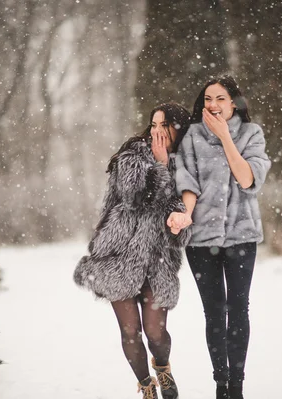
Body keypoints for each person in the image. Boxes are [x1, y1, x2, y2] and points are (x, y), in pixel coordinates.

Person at [74, 102, 192, 399]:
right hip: (118, 256)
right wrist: (160, 166)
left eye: (163, 125)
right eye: (153, 125)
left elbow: (182, 218)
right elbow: (134, 198)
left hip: (158, 259)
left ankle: (162, 367)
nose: (156, 132)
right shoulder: (131, 157)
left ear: (177, 129)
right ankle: (147, 386)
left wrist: (179, 224)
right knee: (130, 332)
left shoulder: (187, 166)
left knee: (155, 332)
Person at [168, 76, 271, 399]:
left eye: (221, 98)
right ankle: (221, 385)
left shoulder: (252, 135)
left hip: (241, 237)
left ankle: (236, 387)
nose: (212, 104)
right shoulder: (192, 137)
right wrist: (185, 213)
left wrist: (225, 137)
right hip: (201, 240)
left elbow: (247, 179)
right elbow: (188, 181)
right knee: (214, 311)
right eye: (208, 98)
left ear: (234, 103)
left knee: (238, 308)